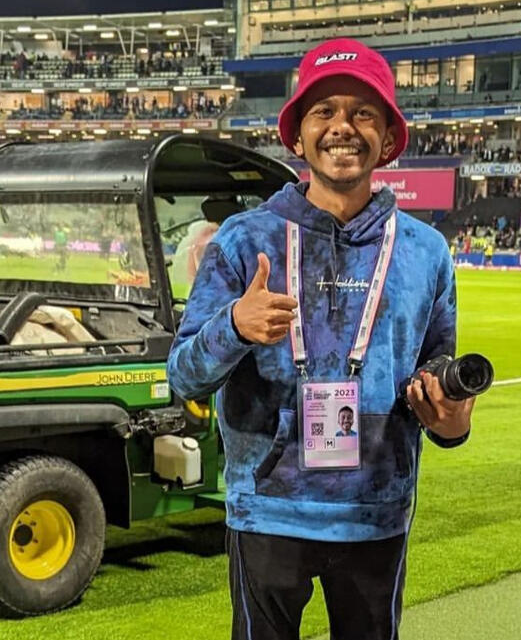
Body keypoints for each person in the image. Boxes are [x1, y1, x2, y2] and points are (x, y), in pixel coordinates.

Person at [167, 38, 475, 640]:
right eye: (324, 111)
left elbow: (438, 376)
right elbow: (183, 376)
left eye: (364, 113)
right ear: (298, 135)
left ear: (388, 136)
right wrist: (235, 326)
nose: (343, 127)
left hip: (375, 512)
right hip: (269, 510)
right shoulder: (243, 241)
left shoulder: (425, 251)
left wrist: (452, 421)